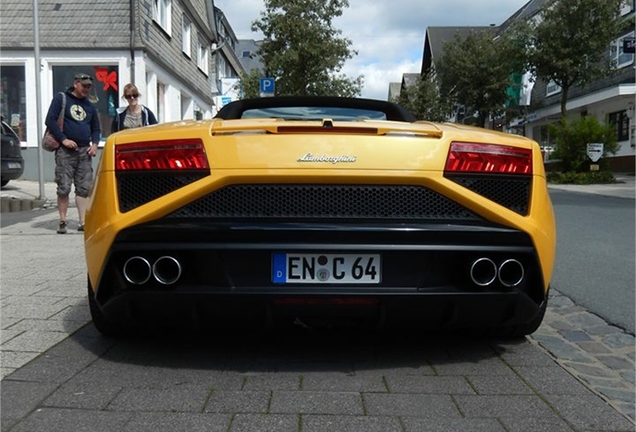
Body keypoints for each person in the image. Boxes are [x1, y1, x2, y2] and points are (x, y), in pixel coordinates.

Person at [45, 74, 100, 234]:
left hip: (84, 152)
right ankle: (62, 221)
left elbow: (96, 128)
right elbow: (50, 120)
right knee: (64, 187)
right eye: (84, 86)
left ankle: (83, 221)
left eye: (89, 86)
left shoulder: (90, 106)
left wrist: (95, 144)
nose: (86, 89)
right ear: (76, 84)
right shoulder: (61, 99)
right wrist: (63, 140)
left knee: (83, 188)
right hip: (65, 151)